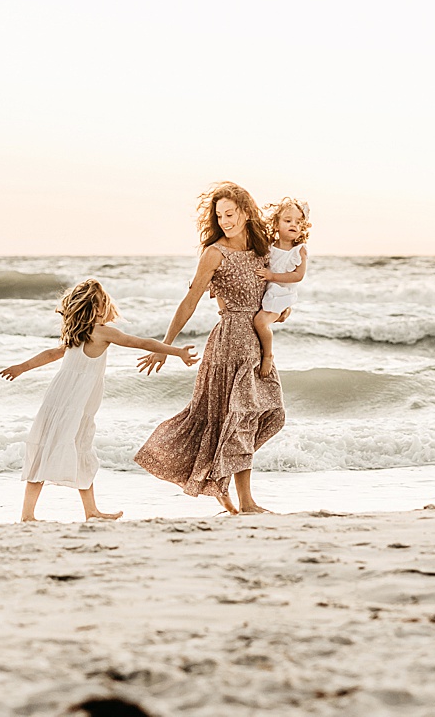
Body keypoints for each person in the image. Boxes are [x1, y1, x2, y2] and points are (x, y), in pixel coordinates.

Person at [133, 182, 285, 514]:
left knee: (266, 414)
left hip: (258, 342)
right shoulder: (215, 253)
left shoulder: (264, 250)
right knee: (237, 418)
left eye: (230, 214)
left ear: (246, 212)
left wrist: (281, 311)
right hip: (230, 342)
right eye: (219, 216)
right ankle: (246, 501)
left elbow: (276, 294)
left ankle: (222, 479)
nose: (225, 221)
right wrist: (164, 345)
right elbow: (190, 301)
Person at [0, 279, 196, 522]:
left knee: (70, 448)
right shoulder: (101, 332)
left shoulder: (78, 333)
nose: (107, 306)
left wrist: (23, 367)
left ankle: (88, 511)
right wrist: (176, 352)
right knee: (67, 447)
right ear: (97, 307)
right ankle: (29, 515)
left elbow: (52, 353)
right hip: (73, 403)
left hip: (65, 400)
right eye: (104, 302)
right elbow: (139, 342)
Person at [252, 197, 311, 380]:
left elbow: (298, 276)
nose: (293, 224)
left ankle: (268, 354)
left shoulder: (299, 250)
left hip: (283, 293)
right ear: (276, 224)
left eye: (298, 222)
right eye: (287, 220)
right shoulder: (269, 246)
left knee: (260, 322)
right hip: (269, 289)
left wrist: (273, 276)